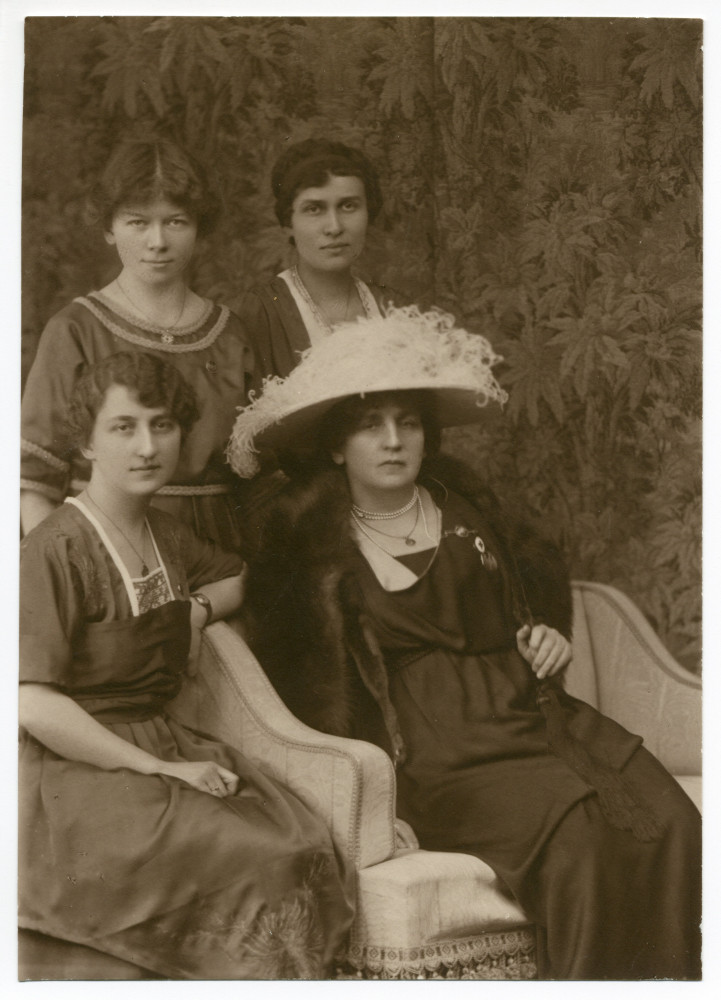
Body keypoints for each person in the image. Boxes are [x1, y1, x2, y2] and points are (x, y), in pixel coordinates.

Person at [227, 306, 702, 981]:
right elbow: (312, 698)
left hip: (533, 722)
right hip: (436, 755)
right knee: (575, 849)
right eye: (370, 426)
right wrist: (367, 803)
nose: (393, 441)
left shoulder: (471, 513)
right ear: (337, 448)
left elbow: (525, 604)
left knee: (674, 822)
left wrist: (544, 636)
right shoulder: (311, 555)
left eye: (409, 422)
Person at [19, 352, 354, 980]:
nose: (147, 446)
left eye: (163, 425)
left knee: (297, 841)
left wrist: (195, 608)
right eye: (124, 427)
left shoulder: (166, 536)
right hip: (72, 771)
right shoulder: (53, 550)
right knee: (250, 854)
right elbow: (31, 703)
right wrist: (157, 767)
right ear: (86, 443)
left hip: (160, 740)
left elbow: (235, 576)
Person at [21, 135, 254, 549]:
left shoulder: (230, 333)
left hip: (220, 551)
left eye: (176, 221)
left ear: (199, 227)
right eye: (138, 222)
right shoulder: (76, 329)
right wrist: (73, 575)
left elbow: (259, 478)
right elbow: (33, 483)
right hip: (106, 548)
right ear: (109, 228)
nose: (158, 241)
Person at [238, 138, 404, 386]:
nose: (334, 227)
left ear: (369, 213)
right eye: (314, 209)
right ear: (287, 224)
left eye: (348, 206)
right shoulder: (258, 313)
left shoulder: (395, 308)